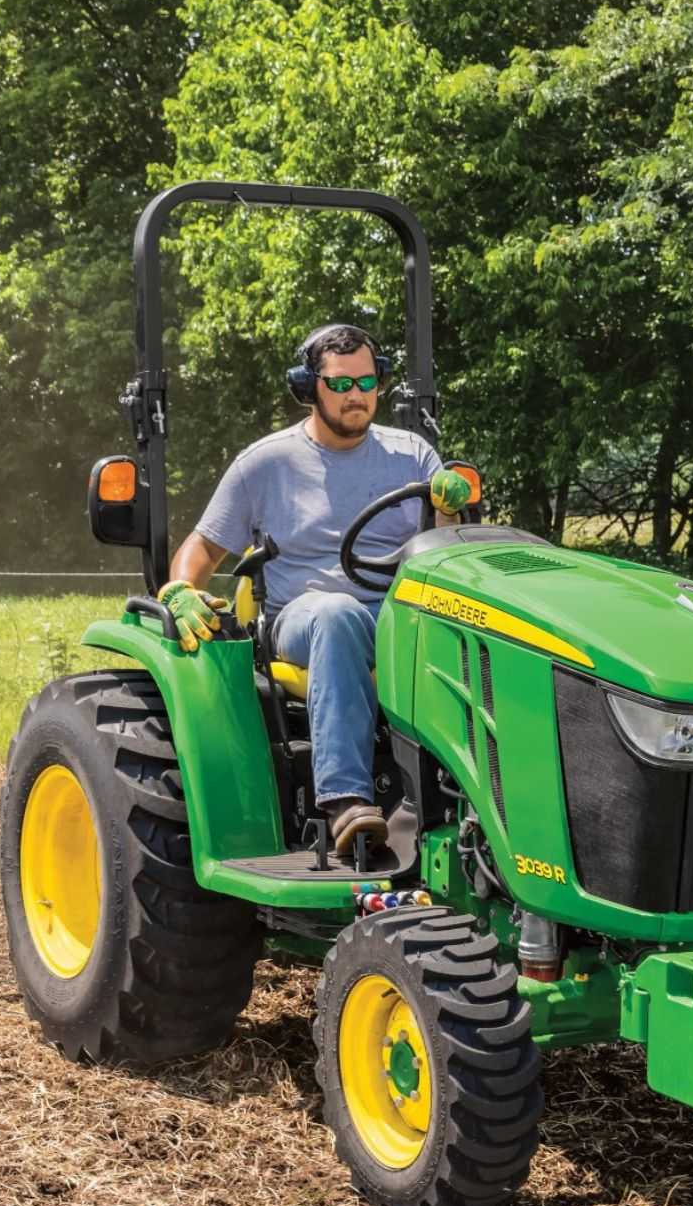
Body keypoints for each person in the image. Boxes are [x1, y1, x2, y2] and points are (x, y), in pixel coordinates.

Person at [156, 323, 473, 857]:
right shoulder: (265, 464)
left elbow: (447, 551)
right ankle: (345, 799)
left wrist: (447, 508)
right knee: (338, 614)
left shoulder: (413, 453)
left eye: (368, 382)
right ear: (310, 388)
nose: (357, 395)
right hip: (303, 619)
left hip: (401, 615)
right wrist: (179, 589)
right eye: (342, 384)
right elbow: (202, 548)